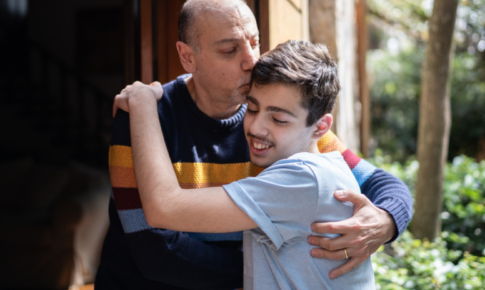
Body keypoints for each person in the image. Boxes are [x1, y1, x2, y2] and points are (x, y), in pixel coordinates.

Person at [95, 0, 412, 290]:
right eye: (230, 50)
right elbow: (156, 255)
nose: (251, 61)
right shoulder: (143, 119)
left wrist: (385, 221)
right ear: (187, 57)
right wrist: (281, 265)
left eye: (254, 42)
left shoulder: (280, 125)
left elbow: (382, 184)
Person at [116, 40, 376, 289]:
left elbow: (164, 207)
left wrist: (143, 104)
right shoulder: (324, 167)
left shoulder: (303, 179)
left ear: (320, 127)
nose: (256, 127)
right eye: (251, 109)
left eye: (278, 119)